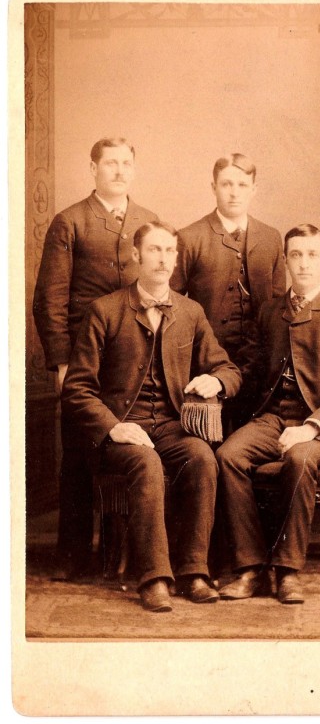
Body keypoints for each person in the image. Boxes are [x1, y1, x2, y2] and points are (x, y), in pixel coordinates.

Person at [61, 221, 242, 612]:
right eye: (155, 250)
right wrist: (114, 427)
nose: (163, 259)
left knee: (202, 458)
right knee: (145, 462)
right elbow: (76, 389)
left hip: (173, 428)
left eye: (169, 251)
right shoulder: (104, 311)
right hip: (121, 434)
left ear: (176, 258)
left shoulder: (190, 311)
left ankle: (194, 570)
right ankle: (155, 577)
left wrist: (216, 380)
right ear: (136, 255)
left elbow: (229, 370)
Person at [215, 224, 320, 604]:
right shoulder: (271, 311)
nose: (303, 264)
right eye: (296, 255)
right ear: (285, 261)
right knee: (228, 456)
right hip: (273, 419)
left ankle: (286, 571)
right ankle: (251, 566)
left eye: (312, 255)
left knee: (300, 459)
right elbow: (249, 368)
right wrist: (218, 383)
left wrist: (312, 428)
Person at [33, 137, 159, 579]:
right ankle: (72, 554)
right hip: (85, 357)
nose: (119, 171)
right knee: (80, 454)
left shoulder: (148, 222)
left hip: (132, 356)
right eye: (110, 164)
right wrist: (61, 362)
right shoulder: (70, 222)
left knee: (132, 443)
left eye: (127, 163)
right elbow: (49, 298)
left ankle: (127, 550)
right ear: (93, 169)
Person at [170, 153, 286, 428]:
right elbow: (171, 304)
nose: (234, 193)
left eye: (243, 185)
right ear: (213, 187)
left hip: (260, 365)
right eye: (226, 184)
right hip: (206, 365)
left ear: (254, 190)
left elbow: (279, 306)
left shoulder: (270, 237)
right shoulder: (190, 237)